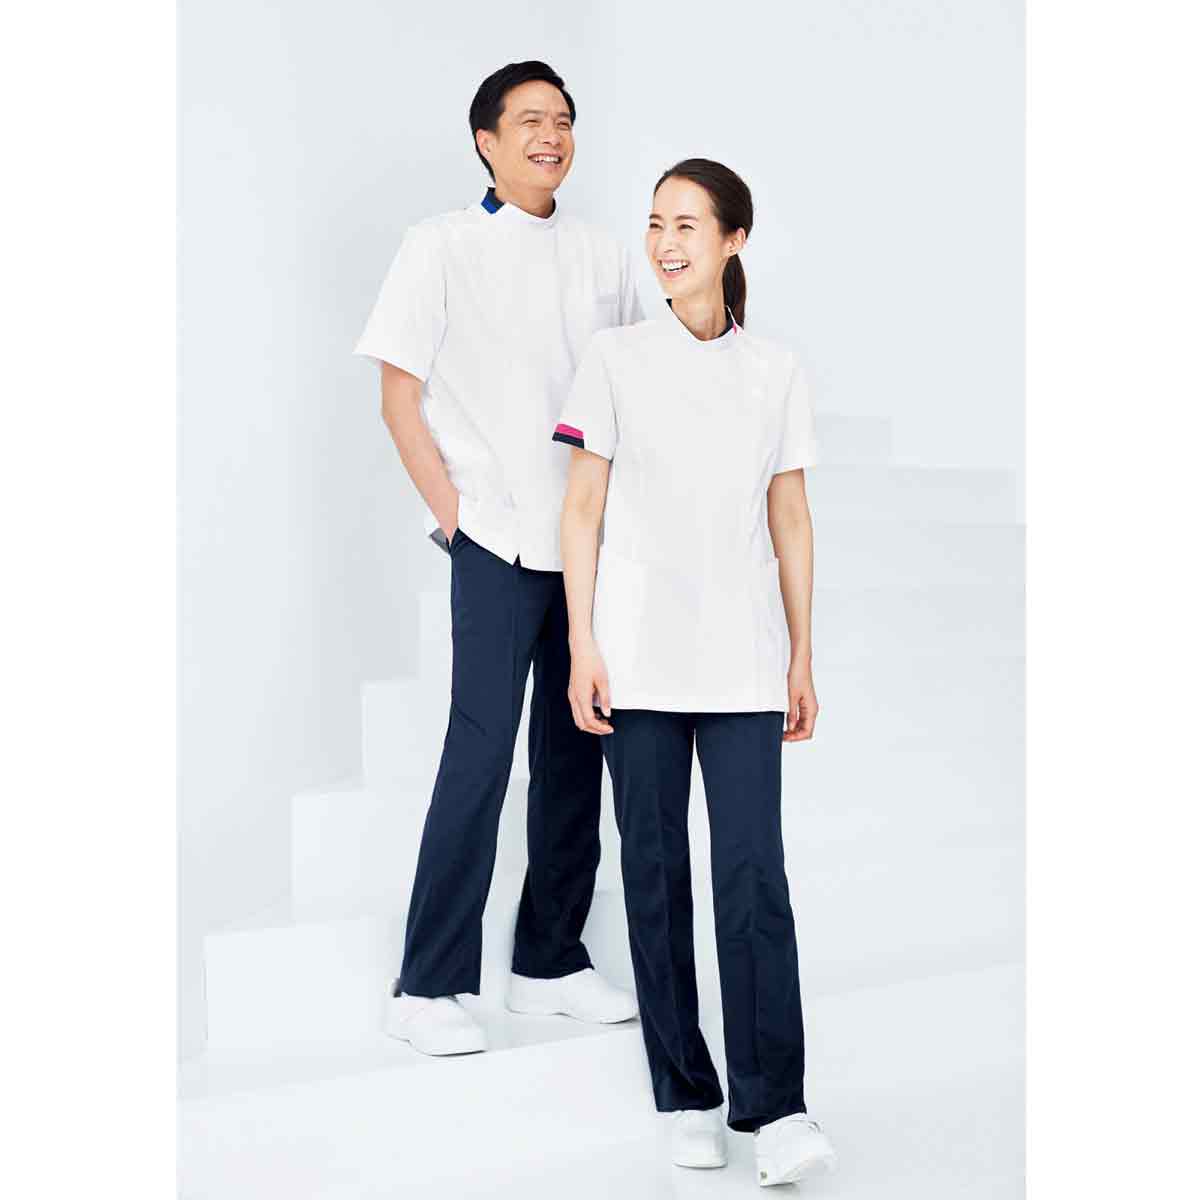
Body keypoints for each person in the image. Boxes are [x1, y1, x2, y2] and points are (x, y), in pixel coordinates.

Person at [553, 159, 838, 1184]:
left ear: (733, 239)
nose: (665, 243)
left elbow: (790, 516)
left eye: (686, 224)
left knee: (754, 877)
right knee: (656, 873)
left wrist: (802, 651)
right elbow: (582, 508)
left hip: (745, 661)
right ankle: (685, 1093)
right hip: (635, 659)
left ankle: (778, 1109)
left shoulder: (776, 369)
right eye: (655, 224)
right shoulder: (615, 357)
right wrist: (584, 643)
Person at [353, 61, 642, 1056]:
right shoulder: (438, 246)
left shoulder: (603, 252)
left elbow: (626, 391)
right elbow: (398, 397)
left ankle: (549, 961)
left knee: (577, 751)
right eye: (529, 121)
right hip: (495, 538)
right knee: (479, 754)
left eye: (563, 120)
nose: (551, 136)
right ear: (486, 140)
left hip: (587, 544)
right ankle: (426, 983)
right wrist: (454, 517)